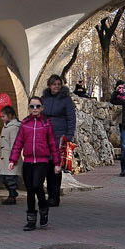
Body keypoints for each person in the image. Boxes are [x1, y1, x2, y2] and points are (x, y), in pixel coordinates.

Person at [8, 96, 61, 230]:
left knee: (37, 185)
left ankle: (43, 208)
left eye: (37, 106)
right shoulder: (25, 123)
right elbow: (18, 143)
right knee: (30, 189)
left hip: (42, 161)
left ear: (42, 108)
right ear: (29, 108)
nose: (35, 109)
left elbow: (53, 144)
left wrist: (57, 163)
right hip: (28, 161)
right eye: (32, 106)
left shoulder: (47, 123)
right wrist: (13, 160)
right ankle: (31, 220)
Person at [40, 74, 76, 206]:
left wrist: (69, 137)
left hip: (60, 137)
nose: (57, 86)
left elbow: (71, 119)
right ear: (50, 85)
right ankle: (49, 194)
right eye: (54, 84)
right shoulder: (44, 99)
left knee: (56, 167)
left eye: (59, 84)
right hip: (45, 136)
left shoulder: (66, 100)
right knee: (47, 166)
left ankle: (55, 196)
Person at [0, 105, 22, 204]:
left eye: (3, 116)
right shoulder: (6, 127)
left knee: (10, 178)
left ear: (10, 116)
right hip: (4, 157)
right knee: (1, 177)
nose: (2, 118)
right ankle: (13, 193)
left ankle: (12, 196)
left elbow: (14, 143)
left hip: (11, 157)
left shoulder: (14, 128)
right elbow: (1, 142)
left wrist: (13, 157)